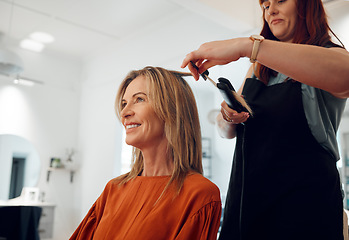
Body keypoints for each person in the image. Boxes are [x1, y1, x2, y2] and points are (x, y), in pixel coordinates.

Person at [181, 0, 349, 239]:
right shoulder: (259, 69)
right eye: (265, 4)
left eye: (280, 0)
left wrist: (245, 46)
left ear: (306, 5)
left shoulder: (328, 55)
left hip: (303, 204)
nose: (270, 9)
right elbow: (224, 130)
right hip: (247, 199)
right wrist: (228, 117)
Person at [70, 66, 222, 240]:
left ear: (173, 110)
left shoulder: (200, 195)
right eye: (124, 103)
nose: (124, 112)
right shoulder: (113, 189)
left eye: (139, 99)